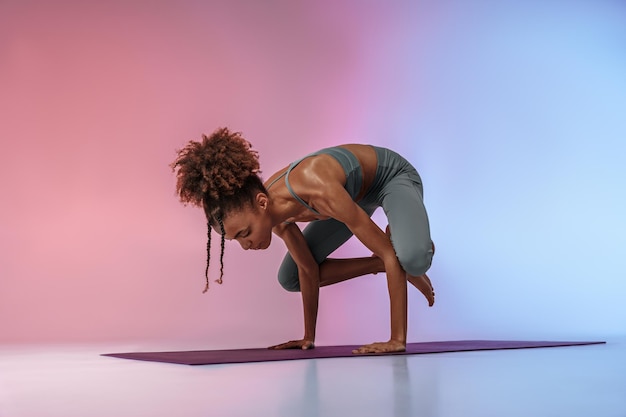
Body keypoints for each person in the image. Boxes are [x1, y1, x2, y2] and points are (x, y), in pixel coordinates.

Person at [171, 127, 435, 354]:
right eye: (236, 240)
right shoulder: (275, 218)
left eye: (244, 233)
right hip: (351, 198)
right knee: (290, 278)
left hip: (389, 178)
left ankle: (412, 251)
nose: (246, 245)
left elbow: (389, 253)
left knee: (410, 259)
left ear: (262, 203)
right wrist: (309, 337)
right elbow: (308, 269)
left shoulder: (316, 189)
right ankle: (383, 263)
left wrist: (396, 340)